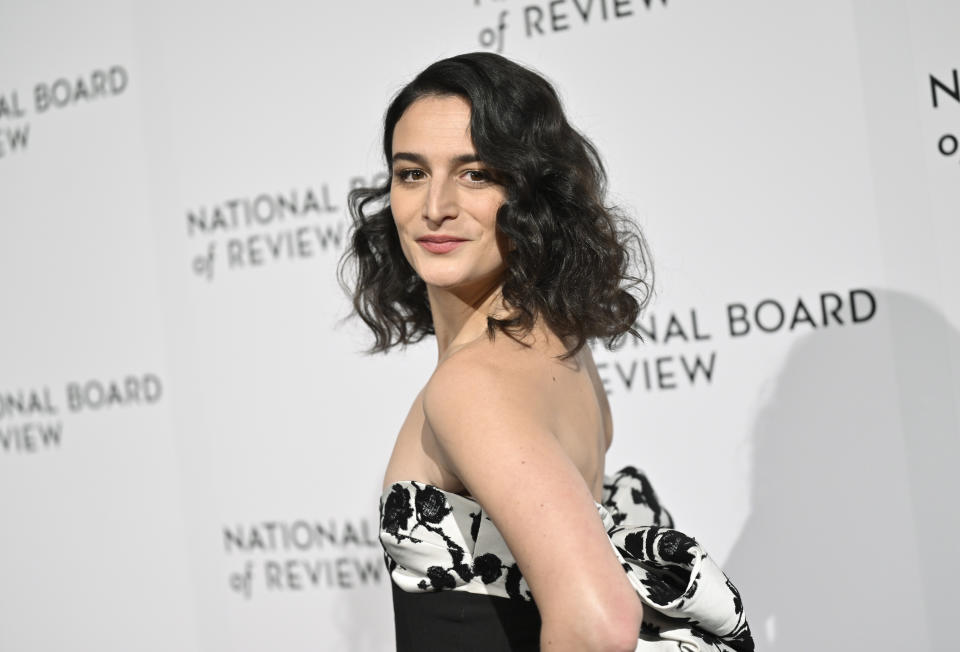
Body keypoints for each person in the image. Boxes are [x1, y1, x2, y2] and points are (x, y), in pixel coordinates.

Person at [339, 52, 754, 652]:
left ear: (531, 192)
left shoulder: (474, 382)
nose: (435, 207)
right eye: (411, 173)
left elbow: (595, 623)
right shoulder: (558, 349)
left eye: (475, 173)